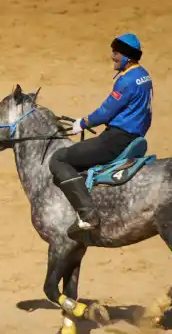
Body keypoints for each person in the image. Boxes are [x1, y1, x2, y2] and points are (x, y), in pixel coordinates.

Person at [49, 33, 154, 240]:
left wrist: (83, 122)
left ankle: (88, 214)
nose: (112, 56)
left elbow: (106, 111)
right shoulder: (144, 75)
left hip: (115, 139)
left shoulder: (126, 81)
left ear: (126, 56)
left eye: (116, 53)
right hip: (134, 136)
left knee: (60, 158)